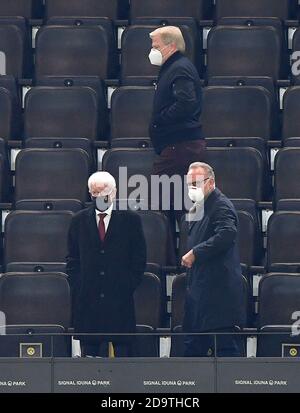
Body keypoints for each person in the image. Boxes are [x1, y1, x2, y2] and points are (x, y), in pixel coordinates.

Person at [66, 171, 147, 357]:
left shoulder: (131, 221)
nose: (100, 197)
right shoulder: (78, 221)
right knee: (89, 360)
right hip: (88, 300)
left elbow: (139, 259)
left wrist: (126, 285)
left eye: (104, 193)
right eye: (95, 193)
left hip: (119, 300)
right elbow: (72, 260)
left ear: (115, 192)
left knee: (123, 356)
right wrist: (80, 285)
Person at [182, 162, 246, 357]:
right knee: (193, 356)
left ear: (211, 182)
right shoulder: (198, 208)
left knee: (226, 355)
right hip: (200, 295)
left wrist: (196, 252)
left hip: (218, 297)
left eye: (196, 183)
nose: (192, 188)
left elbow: (226, 234)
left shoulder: (221, 205)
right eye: (189, 184)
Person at [148, 26, 206, 231]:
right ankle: (176, 256)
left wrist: (160, 119)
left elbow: (186, 103)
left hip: (179, 147)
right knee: (174, 204)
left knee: (162, 202)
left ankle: (172, 257)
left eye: (155, 46)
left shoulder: (179, 68)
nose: (152, 51)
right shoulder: (174, 67)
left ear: (171, 45)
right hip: (178, 146)